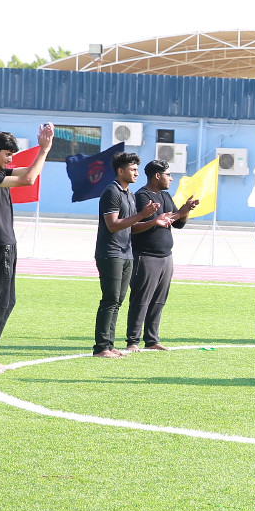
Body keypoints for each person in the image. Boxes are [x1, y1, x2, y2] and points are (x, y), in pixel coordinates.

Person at [0, 123, 55, 374]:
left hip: (8, 242)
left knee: (8, 300)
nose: (10, 159)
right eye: (7, 154)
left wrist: (45, 150)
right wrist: (43, 149)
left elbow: (31, 171)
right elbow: (28, 179)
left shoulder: (1, 173)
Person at [125, 159, 199, 351]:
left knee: (159, 300)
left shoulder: (165, 195)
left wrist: (185, 211)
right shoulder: (142, 196)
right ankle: (133, 341)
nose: (171, 178)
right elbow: (157, 221)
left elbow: (177, 223)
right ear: (157, 176)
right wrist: (180, 212)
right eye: (168, 175)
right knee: (141, 300)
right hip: (146, 256)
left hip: (166, 256)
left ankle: (152, 340)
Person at [94, 150, 159, 358]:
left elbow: (131, 227)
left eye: (137, 169)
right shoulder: (112, 192)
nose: (136, 173)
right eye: (132, 169)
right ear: (120, 171)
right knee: (110, 299)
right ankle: (101, 347)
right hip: (110, 252)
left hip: (126, 253)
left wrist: (153, 220)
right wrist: (142, 214)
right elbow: (113, 225)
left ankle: (109, 344)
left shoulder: (129, 195)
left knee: (118, 300)